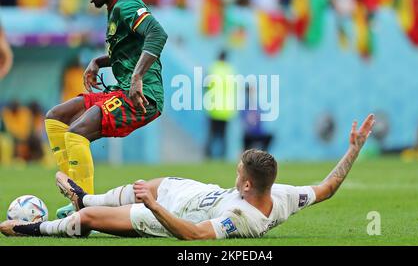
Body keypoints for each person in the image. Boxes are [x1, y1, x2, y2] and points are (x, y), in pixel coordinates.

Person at [0, 114, 375, 239]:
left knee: (89, 221)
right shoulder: (284, 196)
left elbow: (193, 235)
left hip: (171, 216)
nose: (235, 174)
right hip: (189, 191)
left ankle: (36, 228)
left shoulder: (245, 219)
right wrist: (354, 149)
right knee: (153, 183)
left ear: (246, 184)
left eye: (237, 173)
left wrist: (153, 206)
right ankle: (85, 198)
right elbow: (327, 188)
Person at [44, 0, 168, 219]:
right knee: (56, 117)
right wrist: (98, 61)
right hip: (122, 91)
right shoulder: (114, 8)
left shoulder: (127, 4)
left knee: (76, 133)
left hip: (142, 97)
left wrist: (136, 79)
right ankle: (75, 195)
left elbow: (157, 33)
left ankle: (84, 208)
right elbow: (127, 52)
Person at [204, 50, 236, 159]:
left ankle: (208, 156)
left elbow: (206, 86)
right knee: (223, 136)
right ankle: (223, 157)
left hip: (214, 108)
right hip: (226, 109)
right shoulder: (230, 70)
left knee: (211, 135)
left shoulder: (213, 69)